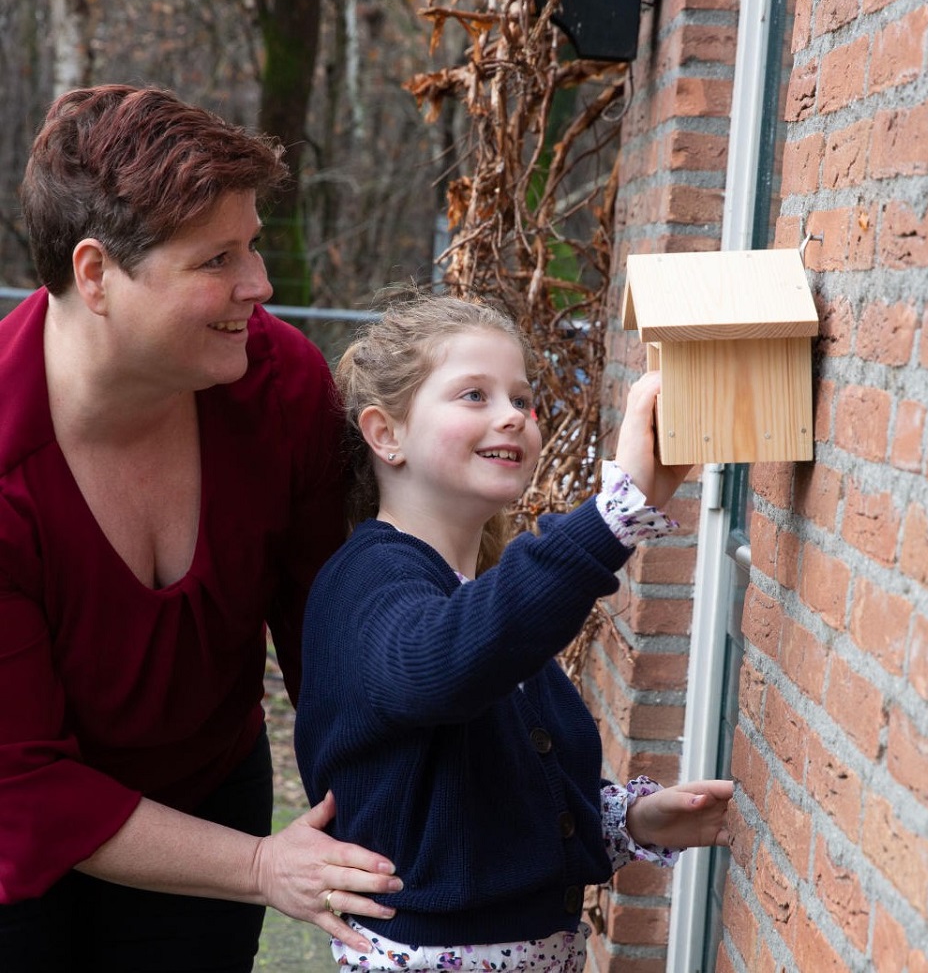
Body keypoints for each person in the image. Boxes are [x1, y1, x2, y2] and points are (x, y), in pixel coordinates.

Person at [0, 85, 402, 973]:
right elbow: (20, 781)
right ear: (96, 274)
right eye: (218, 258)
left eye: (253, 245)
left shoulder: (280, 388)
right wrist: (265, 865)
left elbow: (326, 641)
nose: (259, 286)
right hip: (15, 851)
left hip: (210, 788)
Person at [294, 292, 734, 971]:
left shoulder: (475, 593)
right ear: (386, 434)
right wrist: (612, 516)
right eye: (474, 394)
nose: (513, 416)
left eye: (521, 399)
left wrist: (626, 821)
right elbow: (439, 667)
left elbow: (487, 792)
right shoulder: (368, 581)